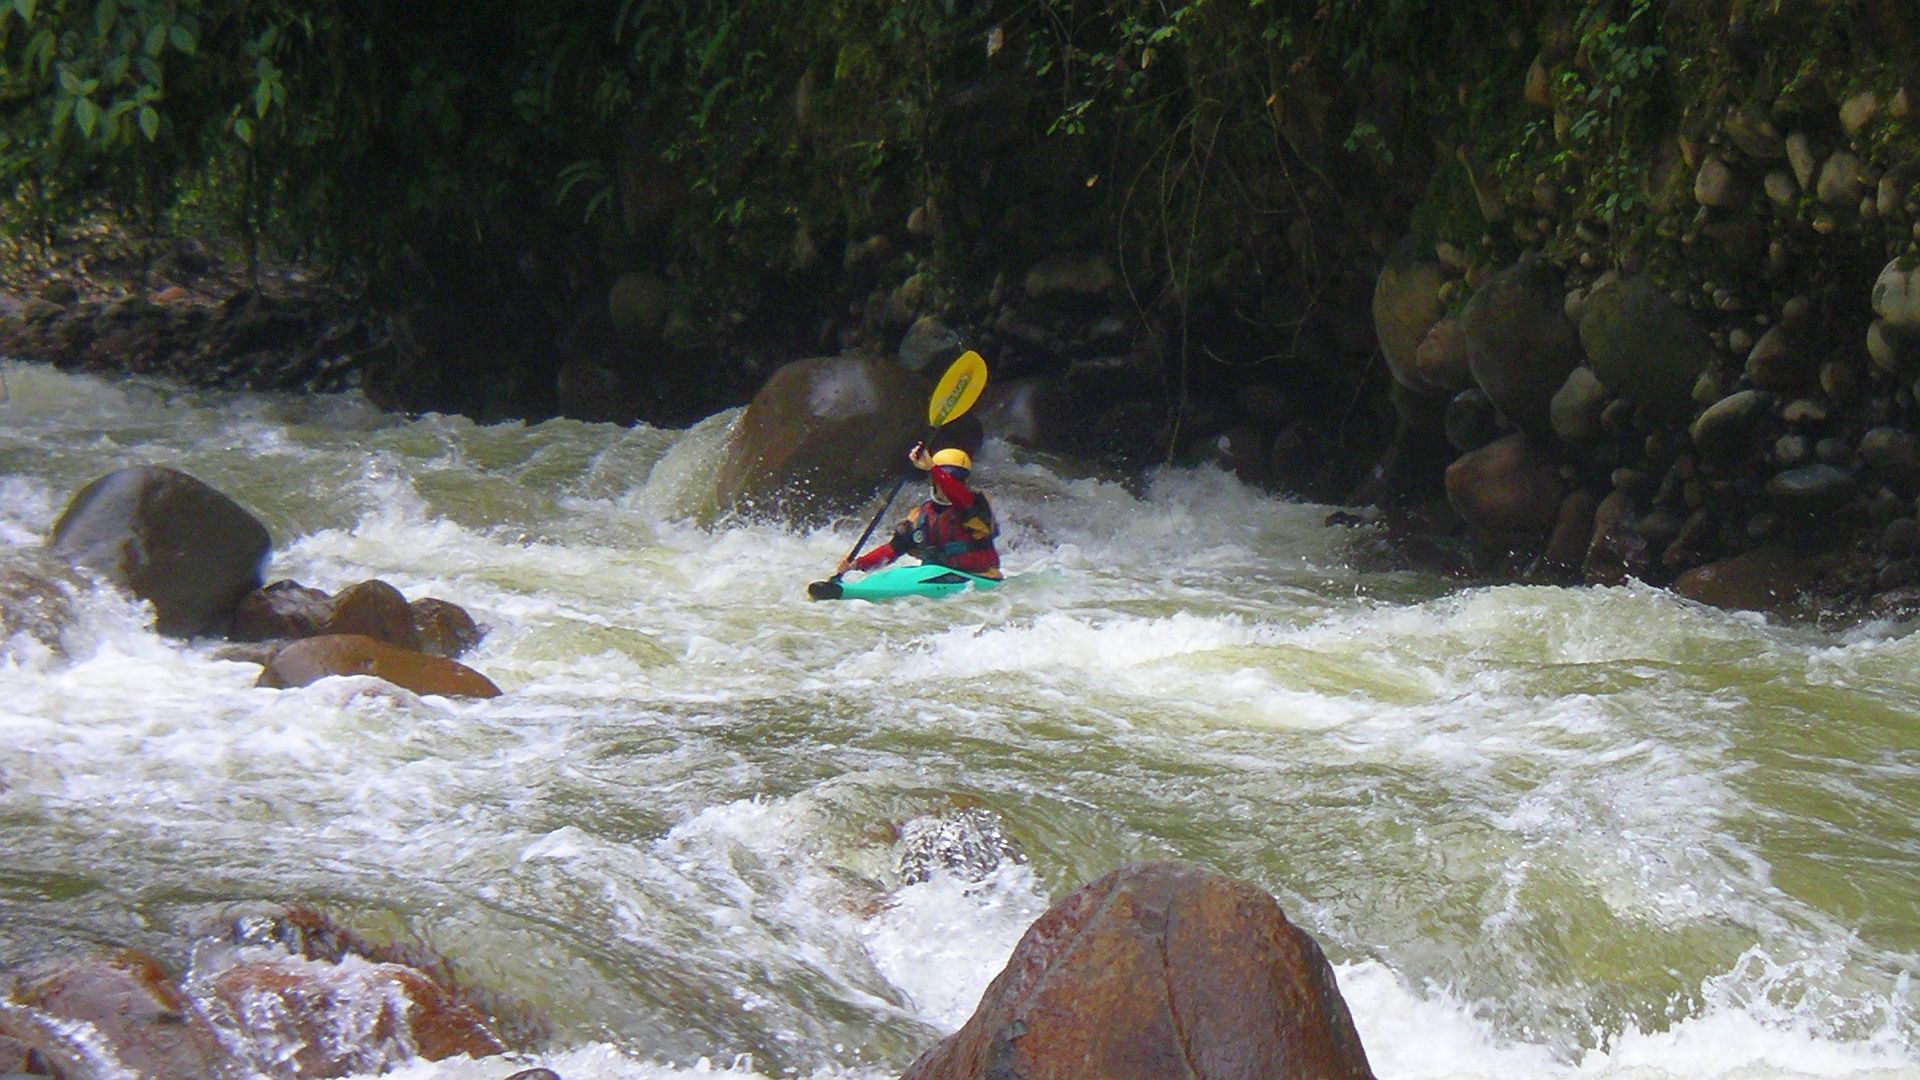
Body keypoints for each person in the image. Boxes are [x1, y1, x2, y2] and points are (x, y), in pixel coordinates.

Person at [836, 444, 1001, 579]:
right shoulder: (919, 516)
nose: (949, 484)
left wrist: (933, 468)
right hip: (935, 577)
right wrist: (855, 565)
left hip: (979, 576)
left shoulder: (975, 504)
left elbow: (956, 493)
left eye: (958, 479)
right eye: (945, 478)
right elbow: (892, 550)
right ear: (933, 481)